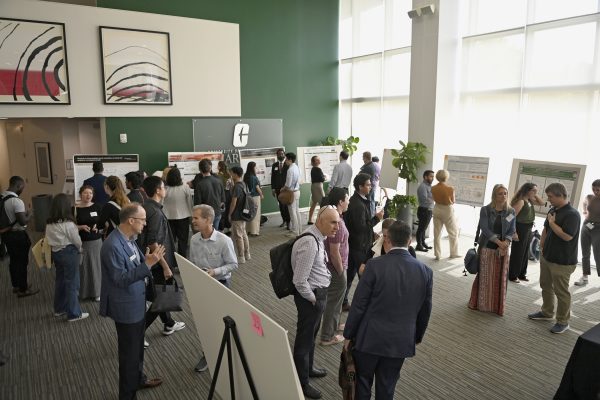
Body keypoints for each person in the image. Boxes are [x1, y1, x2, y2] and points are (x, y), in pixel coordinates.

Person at [343, 221, 433, 400]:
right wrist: (417, 337)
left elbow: (359, 304)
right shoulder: (426, 271)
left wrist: (348, 335)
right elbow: (425, 310)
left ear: (387, 240)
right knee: (387, 386)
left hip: (368, 339)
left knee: (362, 382)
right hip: (400, 341)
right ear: (410, 241)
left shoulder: (374, 266)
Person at [100, 203, 166, 399]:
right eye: (143, 220)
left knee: (137, 349)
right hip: (126, 307)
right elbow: (120, 279)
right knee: (129, 355)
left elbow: (132, 265)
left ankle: (138, 379)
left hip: (136, 303)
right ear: (131, 221)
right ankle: (127, 395)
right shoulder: (112, 245)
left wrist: (143, 260)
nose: (145, 224)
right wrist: (147, 264)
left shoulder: (129, 238)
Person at [291, 206, 339, 399]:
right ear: (320, 221)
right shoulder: (310, 243)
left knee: (311, 335)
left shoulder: (319, 236)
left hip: (317, 294)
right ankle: (301, 383)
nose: (337, 226)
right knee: (304, 341)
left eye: (338, 222)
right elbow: (299, 281)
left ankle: (309, 368)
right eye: (333, 222)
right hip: (310, 297)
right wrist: (313, 299)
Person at [188, 204, 239, 373]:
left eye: (196, 218)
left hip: (221, 285)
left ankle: (228, 352)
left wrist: (215, 271)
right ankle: (208, 354)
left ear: (208, 219)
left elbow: (233, 264)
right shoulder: (194, 240)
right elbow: (192, 262)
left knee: (222, 322)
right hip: (201, 285)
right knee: (205, 322)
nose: (193, 220)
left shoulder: (224, 241)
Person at [528, 182, 581, 334]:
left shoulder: (572, 214)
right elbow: (545, 229)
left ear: (560, 195)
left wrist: (552, 222)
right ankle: (547, 312)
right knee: (545, 286)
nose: (548, 199)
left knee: (561, 292)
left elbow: (567, 236)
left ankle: (563, 321)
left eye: (551, 196)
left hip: (563, 262)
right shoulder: (553, 209)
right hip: (547, 257)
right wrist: (542, 246)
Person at [138, 176, 185, 338]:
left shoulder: (148, 207)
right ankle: (139, 332)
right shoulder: (155, 212)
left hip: (155, 260)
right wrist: (165, 266)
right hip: (159, 262)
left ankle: (168, 323)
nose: (165, 189)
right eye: (163, 187)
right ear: (158, 190)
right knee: (162, 298)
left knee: (163, 294)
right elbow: (153, 242)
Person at [468, 184, 516, 316]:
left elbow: (512, 229)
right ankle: (480, 304)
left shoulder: (511, 211)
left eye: (505, 193)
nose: (503, 196)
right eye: (500, 193)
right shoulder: (486, 210)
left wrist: (506, 241)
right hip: (488, 246)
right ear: (494, 195)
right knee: (485, 276)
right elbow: (485, 228)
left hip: (503, 248)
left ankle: (497, 307)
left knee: (501, 277)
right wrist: (498, 242)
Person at [343, 173, 384, 312]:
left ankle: (344, 302)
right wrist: (377, 219)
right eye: (367, 184)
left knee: (350, 276)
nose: (370, 186)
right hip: (359, 246)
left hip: (357, 244)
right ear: (360, 187)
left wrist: (372, 234)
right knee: (364, 277)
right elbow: (361, 228)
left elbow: (360, 226)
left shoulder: (359, 200)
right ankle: (365, 306)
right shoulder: (358, 204)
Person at [46, 193, 87, 321]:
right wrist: (80, 248)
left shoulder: (49, 223)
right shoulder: (68, 224)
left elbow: (48, 239)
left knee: (60, 281)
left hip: (56, 253)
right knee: (72, 283)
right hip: (69, 253)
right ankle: (74, 313)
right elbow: (77, 241)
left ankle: (59, 309)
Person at [319, 188, 349, 346]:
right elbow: (334, 251)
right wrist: (341, 271)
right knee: (334, 301)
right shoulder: (336, 222)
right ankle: (327, 336)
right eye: (347, 198)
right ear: (340, 202)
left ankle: (334, 325)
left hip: (333, 266)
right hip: (336, 267)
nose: (348, 201)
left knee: (335, 301)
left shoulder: (335, 217)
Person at [1, 176, 38, 297]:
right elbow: (23, 222)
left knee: (13, 260)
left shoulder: (2, 196)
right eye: (22, 187)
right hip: (17, 235)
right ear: (18, 186)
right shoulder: (16, 201)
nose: (22, 189)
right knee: (22, 261)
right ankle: (23, 289)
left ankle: (16, 285)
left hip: (6, 234)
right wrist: (30, 214)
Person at [508, 183, 544, 283]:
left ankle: (521, 274)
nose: (535, 193)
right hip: (520, 228)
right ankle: (512, 275)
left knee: (524, 253)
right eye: (533, 190)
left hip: (528, 228)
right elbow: (511, 217)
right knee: (518, 252)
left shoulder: (529, 200)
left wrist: (534, 194)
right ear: (527, 190)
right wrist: (514, 232)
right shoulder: (521, 201)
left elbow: (542, 203)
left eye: (536, 191)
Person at [75, 185, 103, 302]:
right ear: (80, 194)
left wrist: (99, 227)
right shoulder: (75, 208)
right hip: (82, 242)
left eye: (90, 193)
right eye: (86, 193)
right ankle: (84, 292)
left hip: (96, 242)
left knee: (96, 267)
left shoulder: (97, 206)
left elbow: (103, 223)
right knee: (84, 268)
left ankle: (97, 292)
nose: (88, 195)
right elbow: (69, 227)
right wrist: (80, 227)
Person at [574, 179, 600, 286]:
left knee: (597, 254)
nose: (595, 192)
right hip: (586, 225)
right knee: (585, 253)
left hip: (598, 229)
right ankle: (584, 277)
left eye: (598, 190)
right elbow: (584, 202)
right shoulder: (590, 197)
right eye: (593, 189)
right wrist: (584, 211)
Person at [163, 167, 193, 258]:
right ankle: (182, 262)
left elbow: (161, 204)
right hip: (183, 218)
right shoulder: (185, 188)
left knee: (170, 242)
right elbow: (190, 203)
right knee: (183, 241)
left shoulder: (165, 189)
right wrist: (192, 216)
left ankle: (171, 262)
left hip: (168, 218)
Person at [431, 169, 460, 260]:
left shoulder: (433, 188)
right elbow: (453, 201)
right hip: (447, 210)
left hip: (437, 208)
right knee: (453, 232)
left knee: (437, 233)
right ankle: (453, 253)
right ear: (446, 177)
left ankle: (437, 255)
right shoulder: (450, 189)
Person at [193, 159, 226, 230]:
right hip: (217, 212)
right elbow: (223, 199)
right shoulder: (218, 181)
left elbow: (197, 203)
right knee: (215, 233)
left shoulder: (200, 184)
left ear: (200, 170)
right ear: (210, 168)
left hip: (205, 215)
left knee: (205, 234)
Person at [228, 166, 250, 264]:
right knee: (243, 234)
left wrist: (229, 214)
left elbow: (233, 203)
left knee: (238, 236)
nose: (230, 174)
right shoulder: (243, 184)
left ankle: (241, 257)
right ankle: (247, 254)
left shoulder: (237, 186)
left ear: (236, 174)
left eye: (231, 173)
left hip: (237, 214)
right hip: (243, 213)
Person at [271, 148, 291, 229]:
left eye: (282, 154)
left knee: (286, 205)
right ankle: (284, 220)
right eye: (279, 154)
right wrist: (273, 188)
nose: (281, 155)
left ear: (284, 155)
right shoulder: (274, 165)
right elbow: (273, 177)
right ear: (277, 155)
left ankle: (289, 222)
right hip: (278, 189)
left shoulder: (288, 165)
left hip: (286, 189)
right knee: (281, 206)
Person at [284, 152, 303, 237]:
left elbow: (288, 184)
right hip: (297, 191)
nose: (285, 161)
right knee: (297, 211)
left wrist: (282, 188)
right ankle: (299, 230)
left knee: (292, 212)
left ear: (290, 160)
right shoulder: (297, 167)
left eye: (286, 159)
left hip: (291, 193)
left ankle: (295, 232)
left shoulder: (290, 170)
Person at [415, 170, 435, 252]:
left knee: (424, 228)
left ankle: (423, 243)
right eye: (431, 176)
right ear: (425, 177)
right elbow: (425, 199)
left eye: (433, 176)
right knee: (421, 228)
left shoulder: (429, 186)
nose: (432, 178)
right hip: (424, 210)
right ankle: (419, 245)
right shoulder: (423, 186)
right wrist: (434, 198)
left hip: (428, 210)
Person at [244, 161, 264, 236]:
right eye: (255, 167)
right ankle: (254, 231)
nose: (256, 168)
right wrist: (261, 194)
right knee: (256, 214)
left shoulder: (245, 176)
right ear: (253, 168)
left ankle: (248, 230)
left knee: (248, 213)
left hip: (248, 197)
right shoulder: (254, 177)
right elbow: (257, 187)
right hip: (255, 197)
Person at [217, 161, 233, 232]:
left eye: (218, 165)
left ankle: (222, 229)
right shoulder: (229, 175)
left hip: (221, 195)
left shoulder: (218, 175)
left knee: (222, 212)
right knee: (228, 211)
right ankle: (229, 228)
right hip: (229, 194)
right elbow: (232, 185)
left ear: (220, 167)